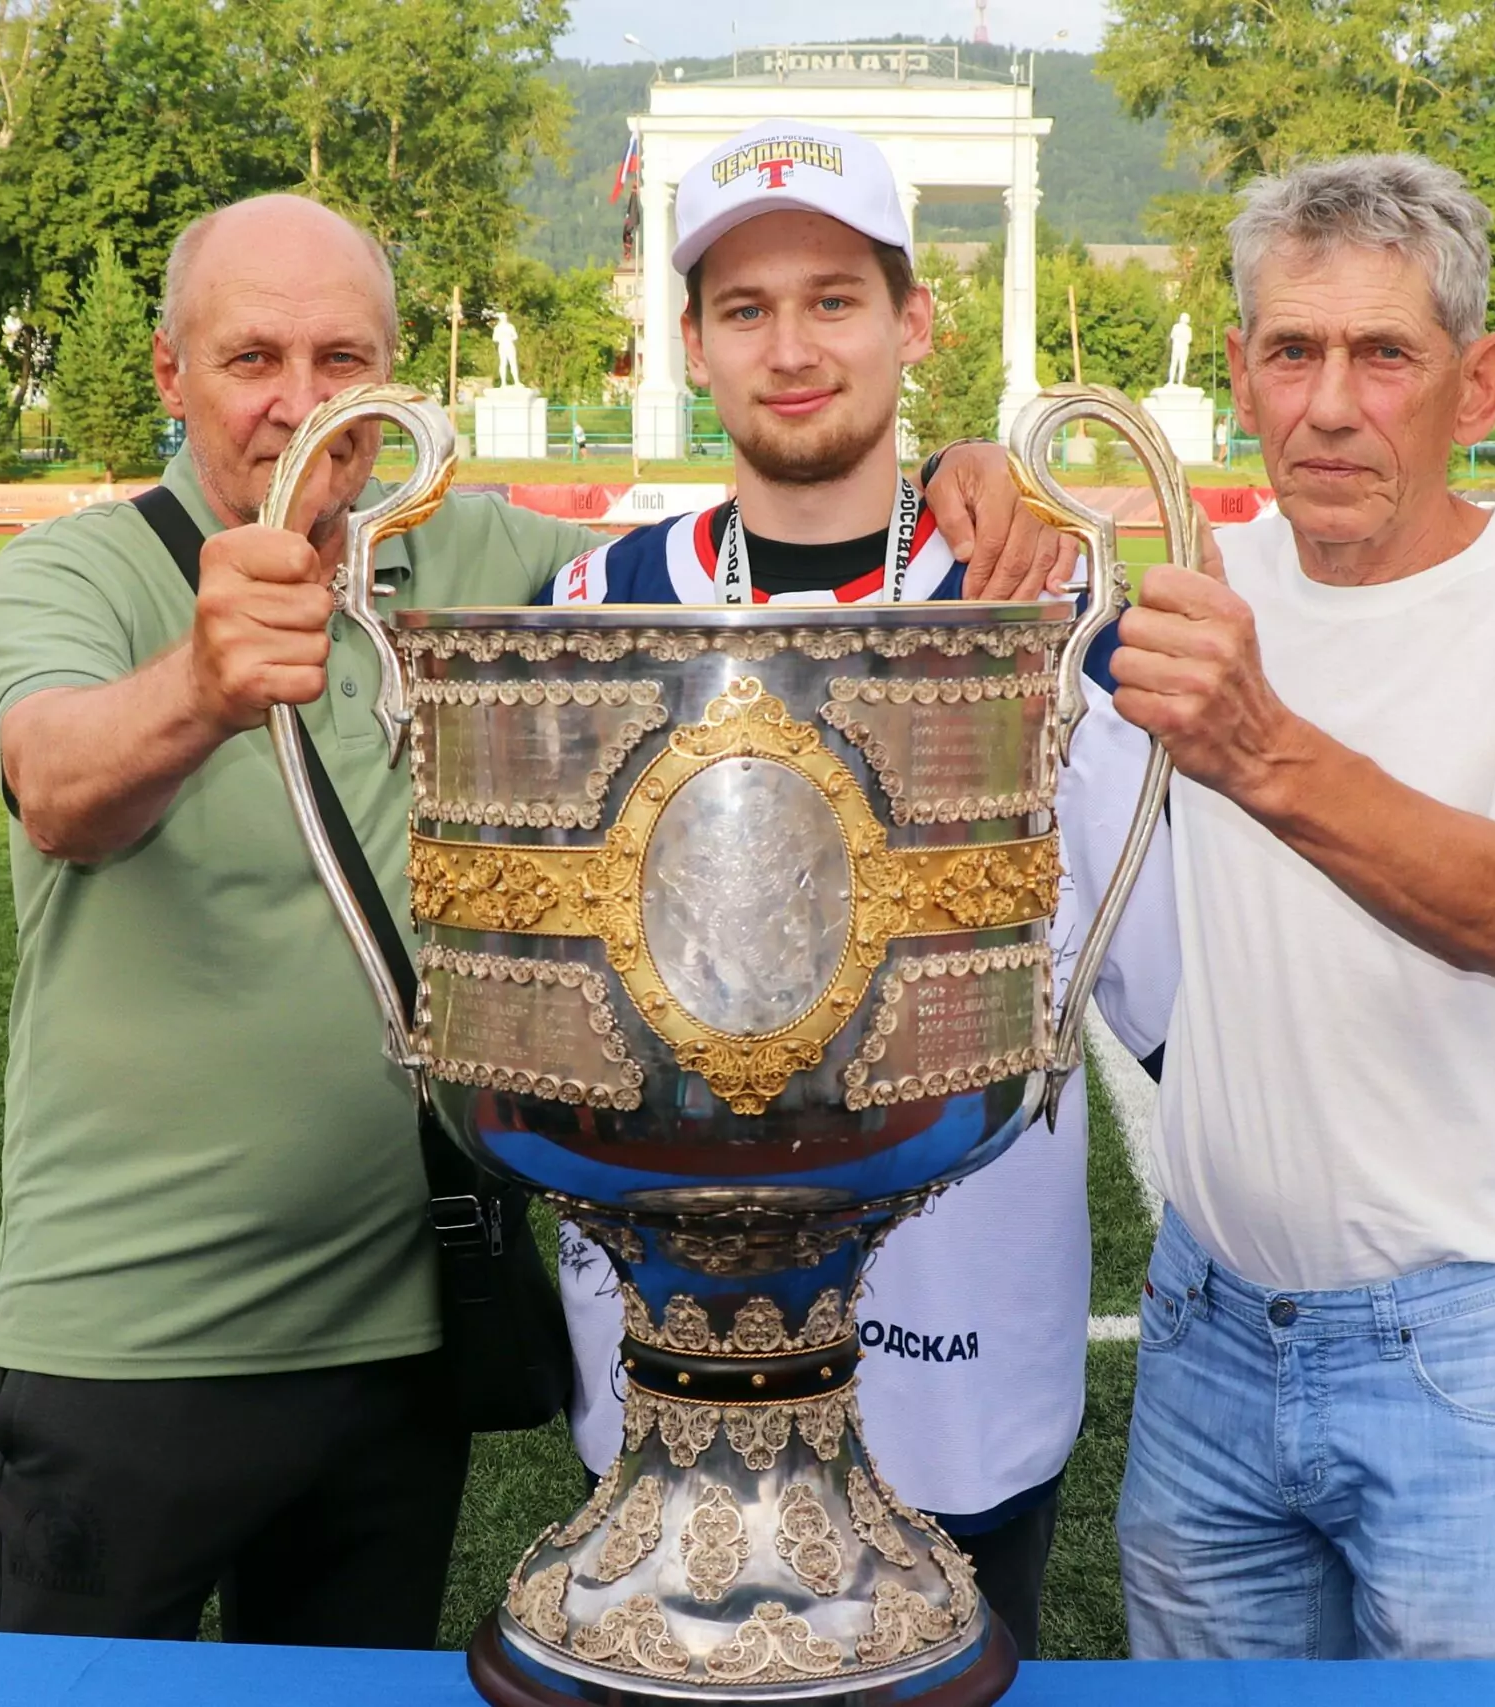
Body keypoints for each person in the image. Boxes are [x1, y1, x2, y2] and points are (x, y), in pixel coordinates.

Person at [0, 192, 1074, 1648]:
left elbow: (766, 520)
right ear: (172, 373)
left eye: (341, 360)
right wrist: (201, 678)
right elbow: (56, 787)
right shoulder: (81, 571)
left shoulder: (484, 564)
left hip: (405, 1329)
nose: (302, 404)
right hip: (136, 1329)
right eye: (252, 360)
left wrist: (957, 469)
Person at [1095, 154, 1495, 1661]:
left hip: (1467, 1353)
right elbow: (974, 517)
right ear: (1238, 374)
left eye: (1384, 354)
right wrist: (969, 468)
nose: (1331, 404)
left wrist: (1260, 746)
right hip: (1205, 1338)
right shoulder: (1201, 578)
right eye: (1292, 350)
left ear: (1476, 386)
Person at [534, 118, 1099, 1659]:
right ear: (695, 343)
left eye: (835, 298)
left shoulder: (1043, 601)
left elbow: (1148, 971)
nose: (792, 347)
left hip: (963, 1358)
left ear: (915, 323)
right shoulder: (589, 605)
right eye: (745, 306)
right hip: (667, 1359)